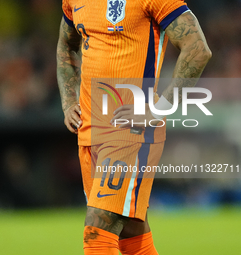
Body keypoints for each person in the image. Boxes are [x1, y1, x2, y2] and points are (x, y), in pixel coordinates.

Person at [56, 0, 211, 254]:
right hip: (88, 131)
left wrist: (160, 108)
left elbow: (198, 48)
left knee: (97, 233)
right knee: (131, 232)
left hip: (131, 130)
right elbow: (66, 44)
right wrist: (68, 100)